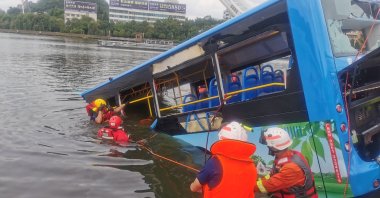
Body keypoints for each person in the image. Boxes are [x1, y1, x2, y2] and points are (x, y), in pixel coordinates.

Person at [190, 121, 257, 197]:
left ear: (221, 138)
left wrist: (197, 186)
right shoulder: (252, 167)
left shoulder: (215, 162)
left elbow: (194, 188)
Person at [255, 127, 318, 198]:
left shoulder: (291, 168)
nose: (267, 146)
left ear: (273, 147)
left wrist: (248, 186)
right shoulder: (286, 156)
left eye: (268, 145)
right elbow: (273, 175)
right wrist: (257, 180)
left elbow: (268, 185)